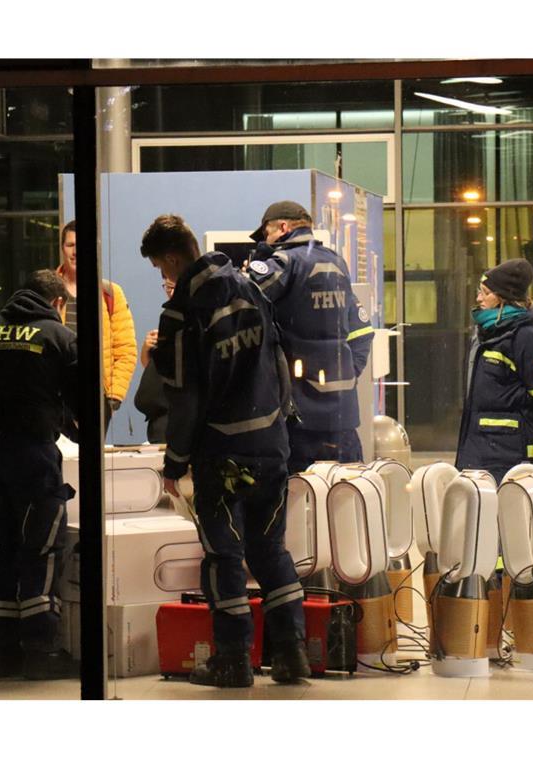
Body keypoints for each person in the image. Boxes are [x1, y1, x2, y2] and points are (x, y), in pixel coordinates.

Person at [141, 214, 309, 688]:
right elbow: (278, 356)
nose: (164, 278)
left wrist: (176, 462)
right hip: (271, 445)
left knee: (223, 556)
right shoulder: (249, 286)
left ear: (174, 257)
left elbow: (184, 397)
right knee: (271, 550)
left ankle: (233, 660)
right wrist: (282, 421)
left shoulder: (181, 311)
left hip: (223, 452)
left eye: (161, 268)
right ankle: (292, 656)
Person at [0, 269, 78, 680]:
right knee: (39, 547)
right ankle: (40, 650)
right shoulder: (58, 336)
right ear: (57, 303)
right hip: (31, 455)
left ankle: (1, 653)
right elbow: (82, 400)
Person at [245, 201, 374, 474]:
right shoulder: (337, 263)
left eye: (266, 233)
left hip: (299, 416)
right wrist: (347, 372)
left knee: (299, 503)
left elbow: (244, 299)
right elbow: (362, 333)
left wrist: (257, 262)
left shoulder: (285, 262)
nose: (266, 240)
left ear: (283, 227)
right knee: (346, 500)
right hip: (343, 415)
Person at [455, 258, 533, 486]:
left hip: (509, 455)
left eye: (485, 293)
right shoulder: (487, 334)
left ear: (503, 298)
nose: (478, 298)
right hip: (480, 448)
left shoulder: (524, 338)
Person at [55, 219, 137, 430]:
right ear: (62, 248)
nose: (75, 252)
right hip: (54, 396)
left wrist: (113, 396)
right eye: (70, 245)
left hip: (96, 395)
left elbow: (125, 348)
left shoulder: (110, 293)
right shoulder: (48, 290)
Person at [133, 276, 175, 443]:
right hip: (157, 419)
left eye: (174, 287)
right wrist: (146, 350)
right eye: (167, 288)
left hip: (173, 415)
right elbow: (151, 367)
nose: (170, 293)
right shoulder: (168, 315)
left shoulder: (193, 316)